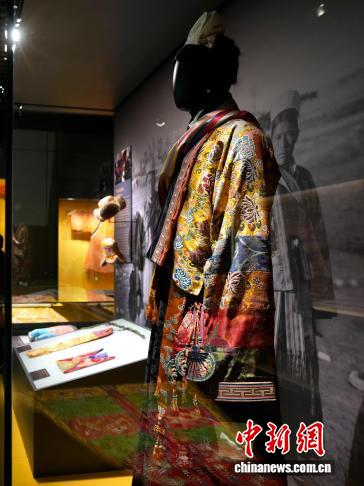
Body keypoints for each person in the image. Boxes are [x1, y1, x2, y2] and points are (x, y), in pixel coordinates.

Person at [140, 12, 282, 484]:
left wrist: (220, 347)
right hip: (175, 320)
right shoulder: (196, 140)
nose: (176, 80)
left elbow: (247, 254)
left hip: (207, 331)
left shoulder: (242, 141)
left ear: (204, 72)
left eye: (182, 67)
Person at [269, 91, 334, 451]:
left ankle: (303, 437)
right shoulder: (265, 179)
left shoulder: (304, 178)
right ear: (271, 136)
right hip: (277, 288)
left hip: (303, 283)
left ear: (297, 136)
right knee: (281, 361)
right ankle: (279, 438)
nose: (284, 143)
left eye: (290, 136)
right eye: (278, 136)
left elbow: (319, 236)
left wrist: (324, 299)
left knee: (305, 361)